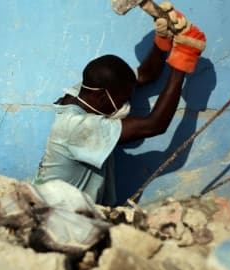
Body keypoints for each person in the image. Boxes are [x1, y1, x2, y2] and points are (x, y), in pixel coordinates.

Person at [34, 3, 207, 206]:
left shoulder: (85, 91)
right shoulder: (77, 128)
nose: (126, 102)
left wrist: (163, 40)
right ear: (101, 97)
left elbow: (144, 75)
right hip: (56, 214)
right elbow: (155, 125)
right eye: (121, 98)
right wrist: (183, 60)